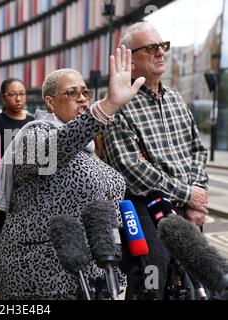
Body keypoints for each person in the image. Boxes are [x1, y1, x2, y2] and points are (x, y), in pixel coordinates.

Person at [0, 46, 146, 300]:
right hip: (39, 271)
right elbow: (55, 149)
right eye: (72, 93)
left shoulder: (89, 149)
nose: (83, 98)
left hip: (94, 275)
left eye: (85, 92)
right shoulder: (35, 134)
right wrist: (107, 106)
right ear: (50, 102)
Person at [102, 22, 209, 300]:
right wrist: (187, 193)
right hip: (144, 207)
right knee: (153, 279)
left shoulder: (175, 98)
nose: (161, 52)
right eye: (151, 48)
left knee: (201, 279)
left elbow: (197, 150)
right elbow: (131, 169)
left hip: (185, 203)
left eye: (163, 46)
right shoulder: (119, 105)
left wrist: (197, 196)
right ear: (130, 59)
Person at [0, 78, 34, 229]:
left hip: (29, 188)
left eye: (22, 94)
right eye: (12, 94)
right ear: (3, 97)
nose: (18, 99)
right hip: (3, 188)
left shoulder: (33, 122)